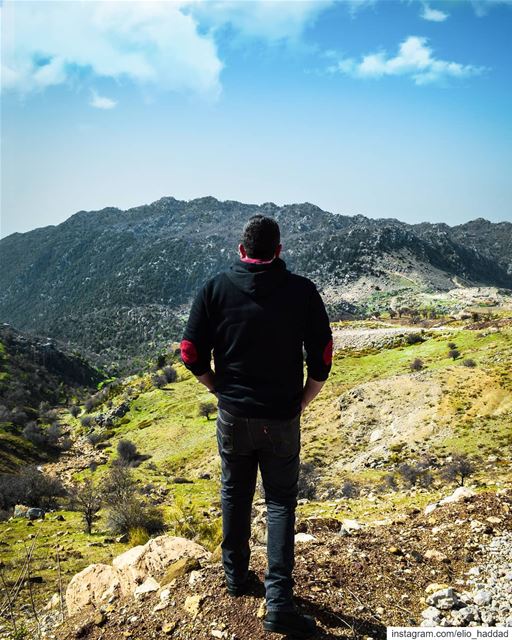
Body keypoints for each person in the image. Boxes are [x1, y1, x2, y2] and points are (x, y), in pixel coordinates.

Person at [180, 214, 332, 638]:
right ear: (279, 251)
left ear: (241, 251)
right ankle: (279, 604)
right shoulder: (301, 291)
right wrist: (303, 399)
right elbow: (322, 355)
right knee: (280, 502)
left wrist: (216, 388)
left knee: (235, 491)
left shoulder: (215, 288)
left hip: (233, 415)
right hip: (281, 417)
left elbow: (190, 350)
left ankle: (235, 576)